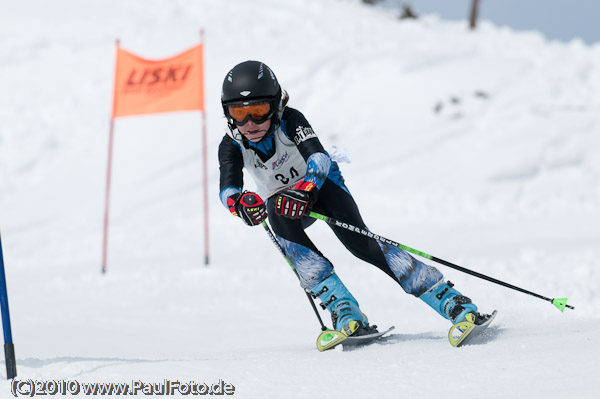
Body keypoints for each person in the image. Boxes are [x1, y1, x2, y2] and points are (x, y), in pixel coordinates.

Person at [218, 60, 491, 337]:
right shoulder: (231, 144)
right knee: (276, 211)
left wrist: (307, 188)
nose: (249, 123)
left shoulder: (290, 120)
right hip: (287, 204)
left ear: (275, 106)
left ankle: (450, 300)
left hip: (321, 187)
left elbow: (319, 158)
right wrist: (240, 206)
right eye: (238, 113)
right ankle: (344, 310)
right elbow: (227, 190)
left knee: (362, 245)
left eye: (258, 110)